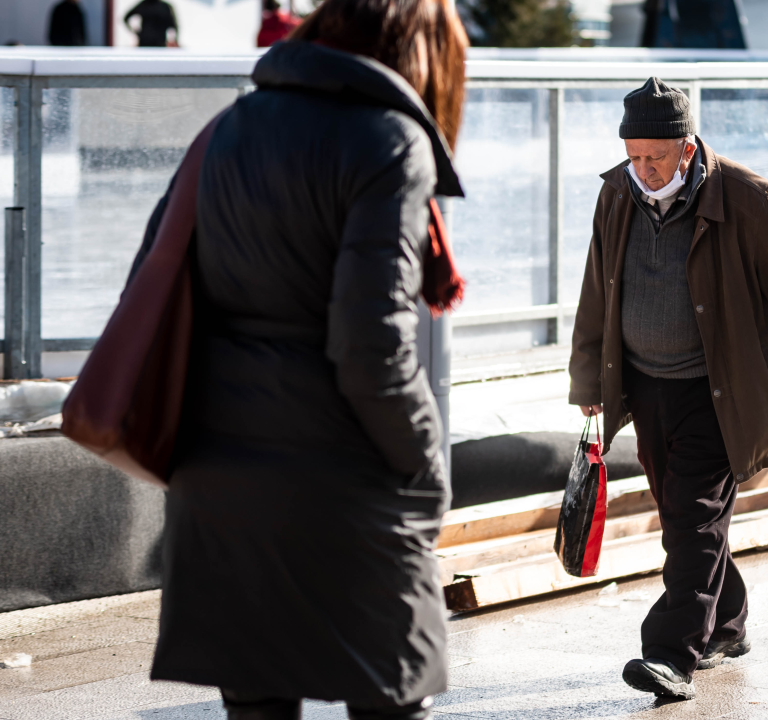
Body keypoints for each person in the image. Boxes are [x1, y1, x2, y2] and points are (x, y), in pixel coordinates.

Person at [139, 1, 469, 718]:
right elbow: (370, 342)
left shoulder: (228, 128)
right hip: (342, 473)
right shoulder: (390, 140)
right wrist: (423, 460)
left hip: (219, 473)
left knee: (258, 705)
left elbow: (154, 280)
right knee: (391, 698)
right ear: (420, 53)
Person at [569, 77, 768, 700]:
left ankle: (671, 652)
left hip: (719, 392)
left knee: (692, 521)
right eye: (634, 156)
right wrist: (591, 382)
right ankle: (727, 621)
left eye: (655, 158)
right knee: (685, 515)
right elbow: (597, 293)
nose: (642, 169)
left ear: (687, 149)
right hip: (644, 387)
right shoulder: (616, 194)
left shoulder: (748, 200)